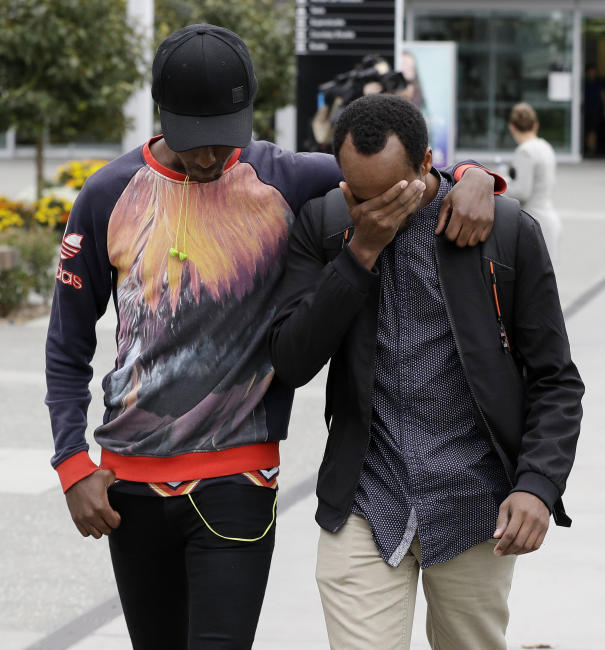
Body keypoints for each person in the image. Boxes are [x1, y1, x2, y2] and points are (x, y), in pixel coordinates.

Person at [45, 24, 501, 650]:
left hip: (240, 476)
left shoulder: (285, 176)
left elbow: (402, 172)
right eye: (193, 142)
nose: (208, 158)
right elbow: (67, 345)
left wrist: (477, 175)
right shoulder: (106, 196)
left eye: (222, 141)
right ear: (161, 117)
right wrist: (73, 465)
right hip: (129, 481)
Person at [268, 94, 584, 649]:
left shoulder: (504, 230)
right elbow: (291, 360)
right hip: (365, 500)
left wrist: (537, 484)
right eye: (358, 194)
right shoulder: (326, 224)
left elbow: (556, 379)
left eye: (392, 194)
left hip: (474, 502)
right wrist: (358, 253)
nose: (374, 208)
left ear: (425, 165)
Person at [505, 102, 561, 260]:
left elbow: (522, 192)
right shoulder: (545, 146)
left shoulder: (525, 151)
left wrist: (500, 185)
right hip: (549, 218)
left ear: (512, 127)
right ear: (535, 125)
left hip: (534, 222)